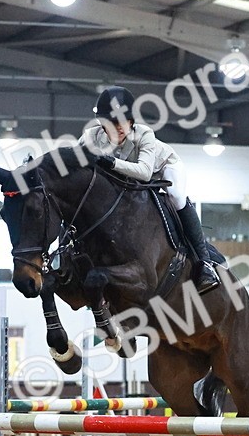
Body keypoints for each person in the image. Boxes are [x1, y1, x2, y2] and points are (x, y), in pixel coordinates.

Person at [79, 86, 221, 294]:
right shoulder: (90, 137)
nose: (119, 127)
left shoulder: (144, 133)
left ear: (132, 120)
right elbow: (72, 164)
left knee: (176, 197)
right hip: (128, 180)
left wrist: (110, 162)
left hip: (163, 169)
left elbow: (145, 172)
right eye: (112, 123)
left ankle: (204, 263)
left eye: (123, 121)